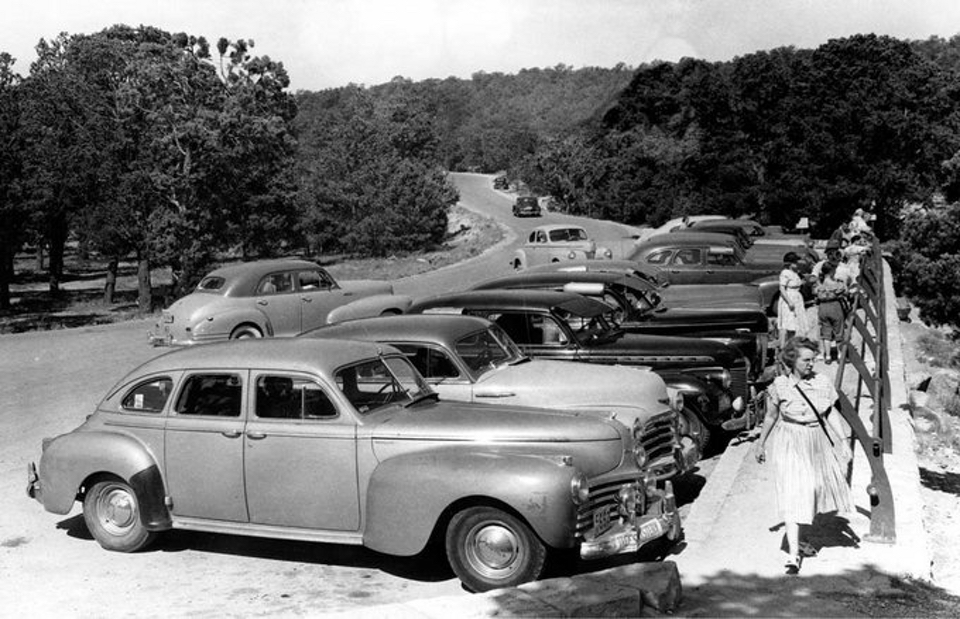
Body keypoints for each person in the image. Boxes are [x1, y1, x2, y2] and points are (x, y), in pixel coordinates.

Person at [754, 337, 853, 575]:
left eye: (813, 359)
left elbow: (829, 414)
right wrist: (761, 443)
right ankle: (792, 554)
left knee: (812, 490)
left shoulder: (822, 382)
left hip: (815, 440)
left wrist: (844, 441)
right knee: (793, 492)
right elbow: (771, 416)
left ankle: (800, 540)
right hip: (789, 439)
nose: (812, 364)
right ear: (792, 360)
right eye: (806, 360)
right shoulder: (779, 385)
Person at [815, 262, 847, 363]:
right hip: (834, 307)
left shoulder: (819, 286)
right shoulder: (837, 285)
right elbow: (845, 291)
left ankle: (828, 356)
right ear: (832, 271)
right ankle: (840, 354)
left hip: (823, 308)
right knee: (839, 331)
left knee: (826, 333)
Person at [778, 252, 810, 345]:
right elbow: (782, 288)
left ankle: (791, 344)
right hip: (789, 297)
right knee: (786, 322)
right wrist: (789, 301)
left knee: (794, 323)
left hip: (796, 297)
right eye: (795, 262)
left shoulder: (796, 273)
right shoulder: (785, 273)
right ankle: (783, 345)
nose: (797, 264)